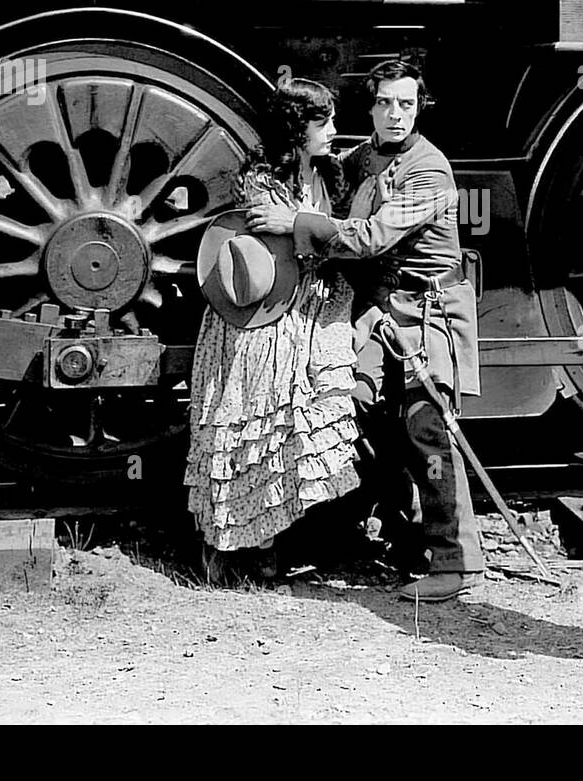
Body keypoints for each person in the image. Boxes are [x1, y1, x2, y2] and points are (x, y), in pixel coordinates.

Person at [249, 60, 484, 602]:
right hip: (380, 311)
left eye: (406, 103)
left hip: (429, 313)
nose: (395, 113)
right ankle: (408, 545)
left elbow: (373, 237)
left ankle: (457, 564)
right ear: (371, 107)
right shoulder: (362, 158)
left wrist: (297, 225)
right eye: (384, 103)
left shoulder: (430, 170)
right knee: (364, 419)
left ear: (419, 106)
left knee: (430, 431)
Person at [185, 78, 361, 578]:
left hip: (312, 309)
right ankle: (224, 547)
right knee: (248, 428)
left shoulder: (329, 175)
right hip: (265, 316)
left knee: (289, 431)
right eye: (321, 122)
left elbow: (319, 236)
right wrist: (313, 231)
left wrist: (308, 226)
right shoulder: (263, 182)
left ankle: (268, 542)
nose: (332, 131)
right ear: (295, 128)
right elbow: (284, 248)